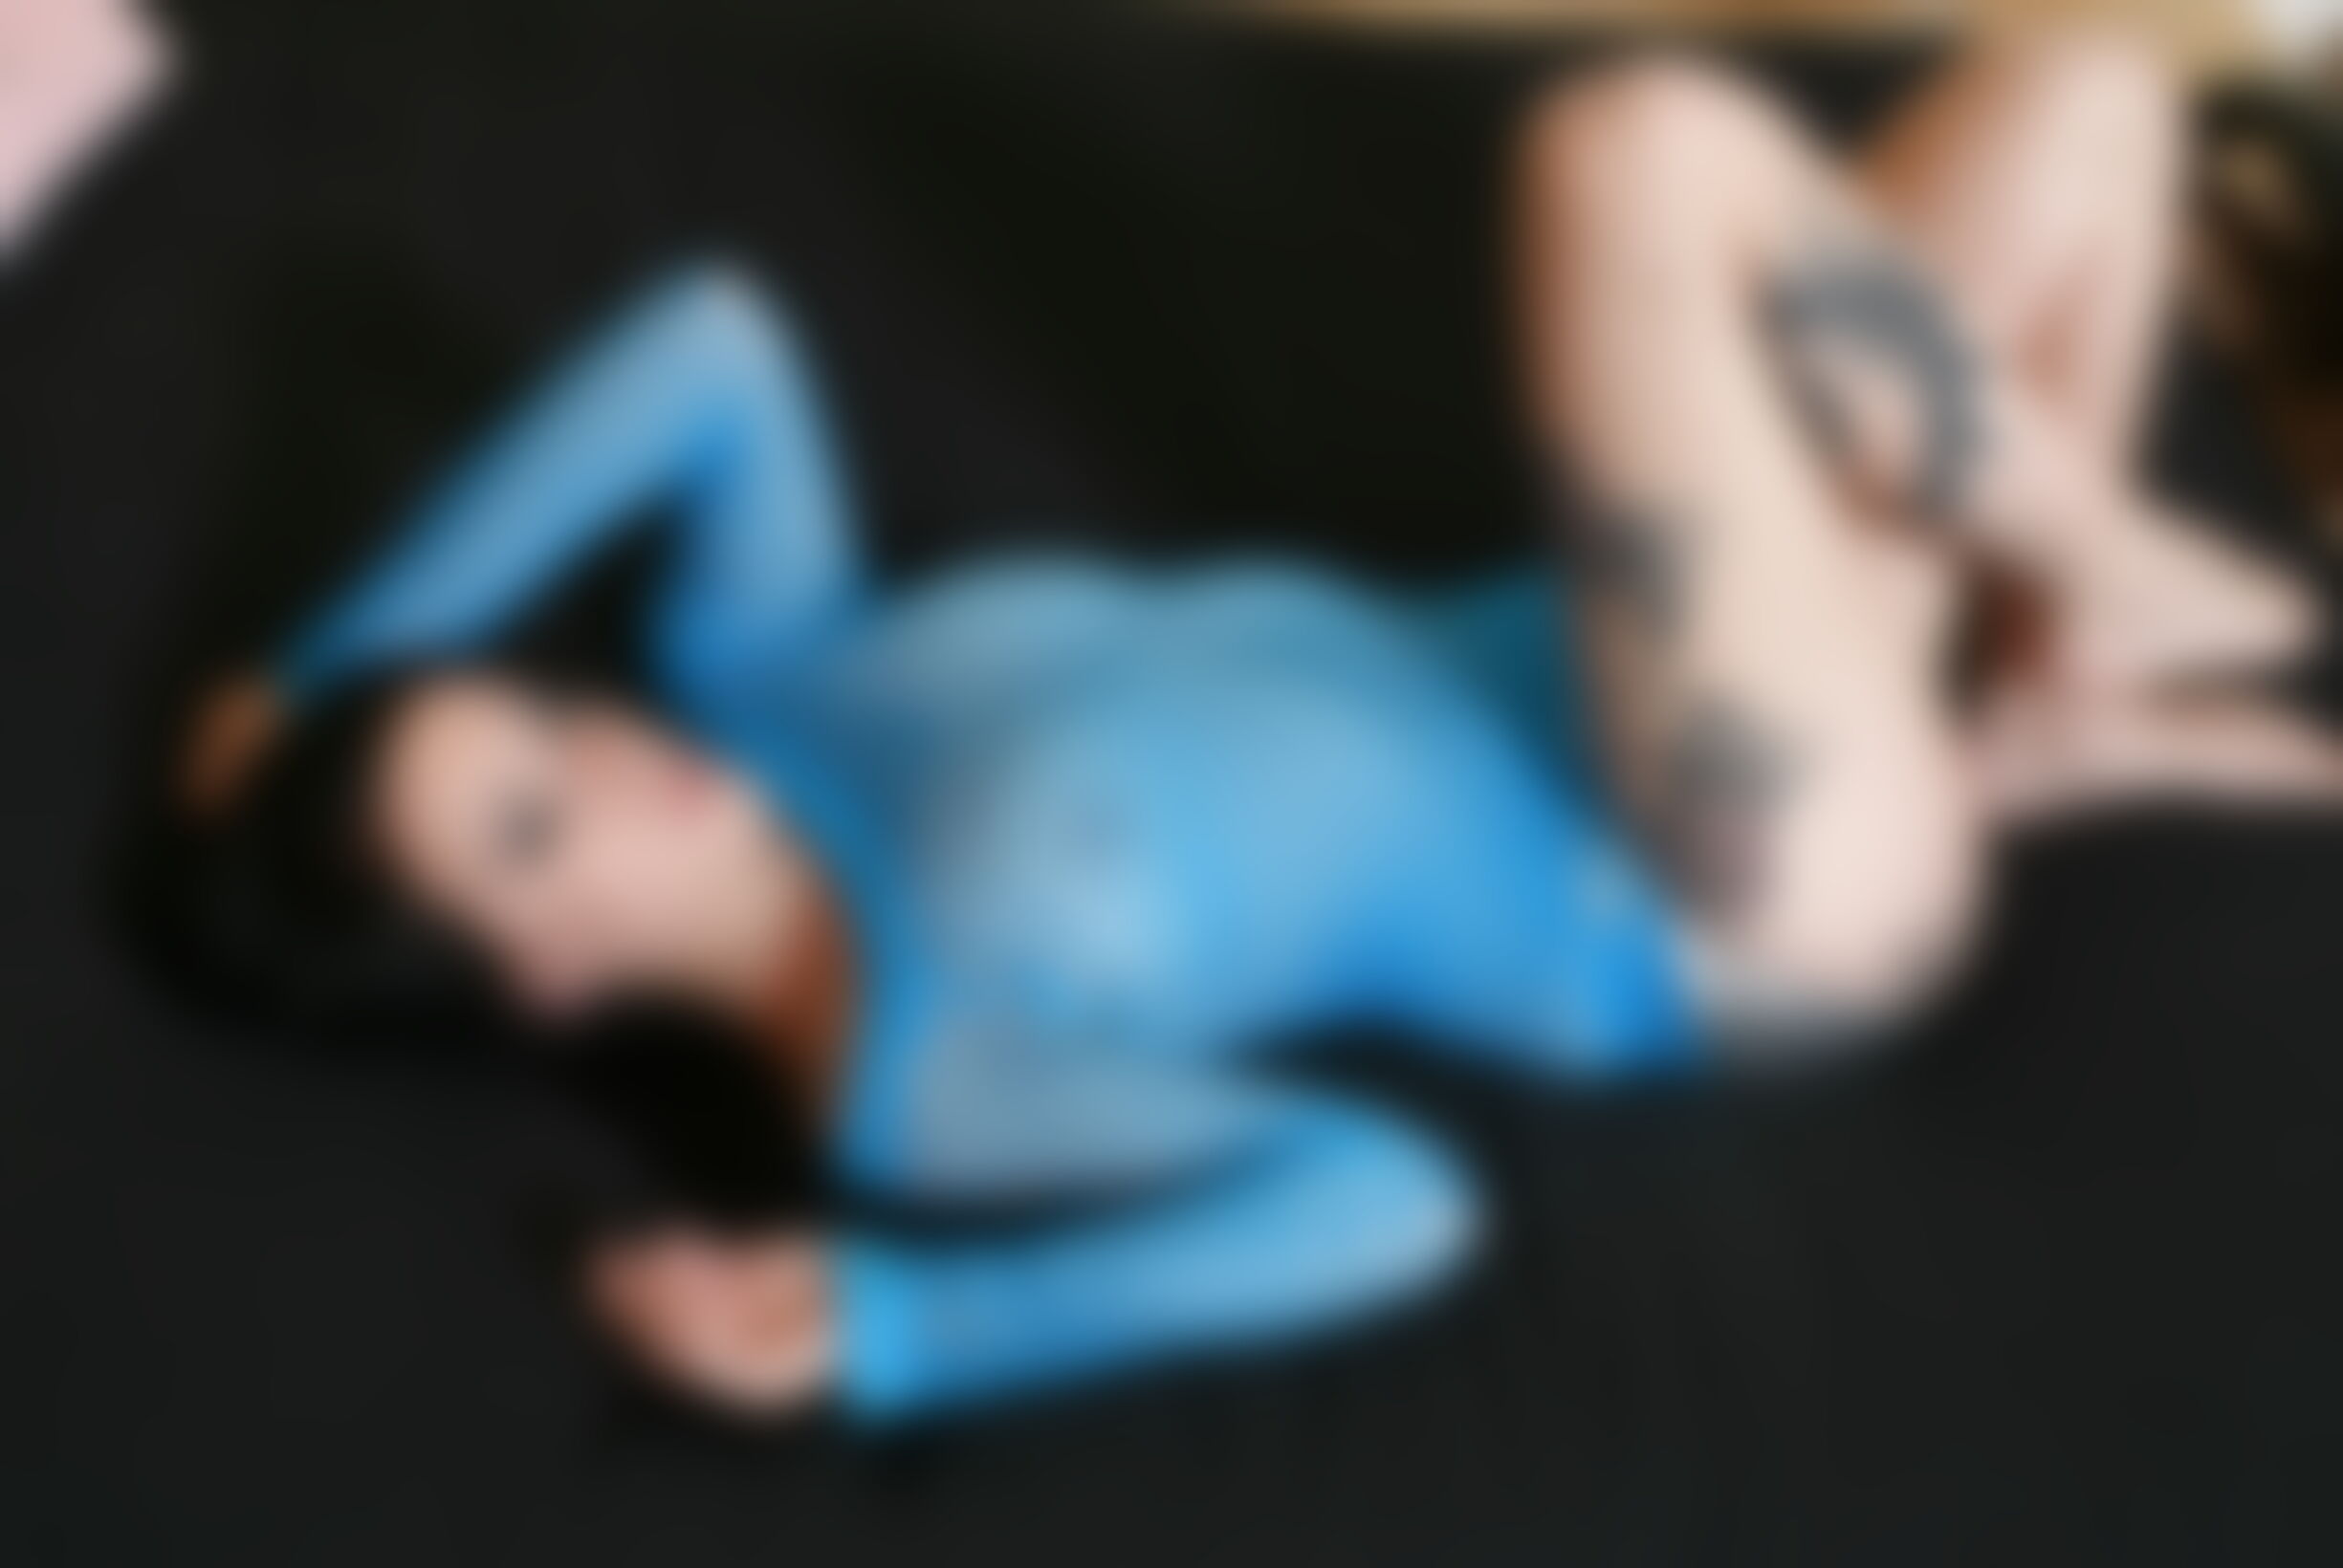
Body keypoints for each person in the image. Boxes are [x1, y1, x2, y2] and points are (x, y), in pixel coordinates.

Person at [174, 37, 2339, 1429]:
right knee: (1628, 153)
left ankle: (2045, 658)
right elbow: (1388, 1202)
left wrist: (316, 664)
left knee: (2090, 102)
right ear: (548, 977)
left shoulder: (758, 667)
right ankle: (2095, 557)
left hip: (1688, 640)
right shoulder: (907, 1065)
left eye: (546, 712)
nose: (604, 749)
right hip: (1716, 881)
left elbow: (711, 340)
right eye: (533, 822)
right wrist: (907, 1334)